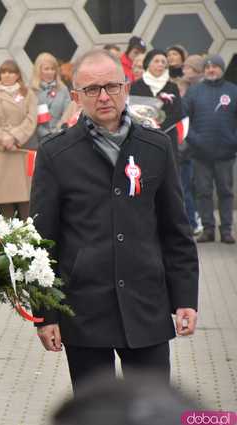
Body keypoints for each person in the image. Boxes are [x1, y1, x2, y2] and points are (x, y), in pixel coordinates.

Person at [30, 49, 199, 394]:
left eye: (111, 86)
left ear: (126, 88)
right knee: (95, 414)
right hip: (84, 308)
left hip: (146, 304)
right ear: (76, 97)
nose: (103, 96)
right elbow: (42, 241)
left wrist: (185, 297)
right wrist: (45, 315)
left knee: (154, 410)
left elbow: (175, 229)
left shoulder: (156, 146)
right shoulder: (55, 154)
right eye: (92, 89)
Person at [183, 54, 237, 244]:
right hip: (200, 154)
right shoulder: (194, 92)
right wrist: (195, 140)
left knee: (226, 192)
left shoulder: (233, 91)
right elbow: (184, 119)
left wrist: (233, 141)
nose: (211, 70)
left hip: (226, 154)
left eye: (214, 67)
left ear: (221, 69)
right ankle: (208, 229)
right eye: (207, 67)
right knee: (203, 192)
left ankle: (227, 231)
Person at [0, 59, 37, 218]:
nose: (7, 75)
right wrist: (3, 139)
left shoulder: (28, 93)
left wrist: (15, 137)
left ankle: (29, 230)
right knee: (4, 195)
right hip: (0, 150)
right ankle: (8, 234)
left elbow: (32, 118)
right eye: (4, 72)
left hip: (21, 148)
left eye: (11, 72)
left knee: (25, 194)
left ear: (18, 74)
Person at [51, 372, 196, 425]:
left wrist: (186, 304)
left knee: (158, 398)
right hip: (83, 324)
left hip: (149, 319)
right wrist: (48, 319)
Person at [130, 49, 185, 153]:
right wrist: (147, 126)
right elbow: (132, 111)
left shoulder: (172, 87)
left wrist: (158, 128)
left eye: (163, 62)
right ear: (147, 64)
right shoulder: (135, 86)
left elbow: (178, 113)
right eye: (156, 61)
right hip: (142, 138)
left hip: (166, 138)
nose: (160, 64)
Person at [31, 52, 71, 140]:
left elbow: (68, 113)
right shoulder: (32, 91)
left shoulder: (63, 89)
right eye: (46, 69)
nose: (50, 72)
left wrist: (58, 131)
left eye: (53, 69)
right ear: (39, 70)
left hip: (61, 137)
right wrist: (46, 134)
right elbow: (31, 117)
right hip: (39, 140)